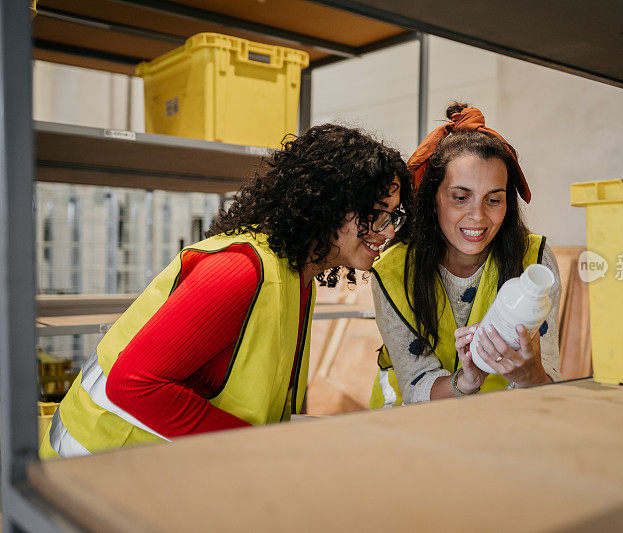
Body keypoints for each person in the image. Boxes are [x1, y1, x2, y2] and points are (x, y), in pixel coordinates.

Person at [41, 124, 411, 459]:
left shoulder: (297, 276)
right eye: (377, 212)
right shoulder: (239, 272)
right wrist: (260, 448)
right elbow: (134, 384)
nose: (387, 231)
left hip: (155, 468)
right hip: (95, 470)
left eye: (392, 215)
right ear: (329, 205)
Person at [369, 103, 561, 408]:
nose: (478, 216)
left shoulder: (534, 261)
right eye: (461, 197)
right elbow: (414, 385)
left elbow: (548, 377)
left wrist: (531, 375)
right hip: (409, 427)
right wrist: (466, 381)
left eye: (494, 199)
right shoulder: (394, 270)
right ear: (433, 200)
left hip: (504, 427)